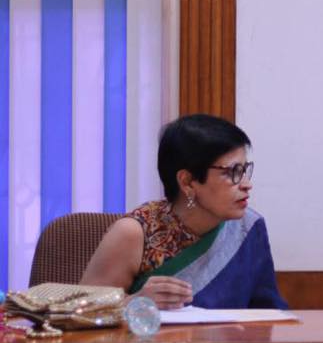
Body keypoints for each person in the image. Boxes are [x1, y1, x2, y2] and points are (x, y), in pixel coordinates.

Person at [81, 114, 287, 310]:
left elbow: (270, 314)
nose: (246, 184)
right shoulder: (136, 233)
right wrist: (136, 302)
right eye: (232, 172)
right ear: (187, 182)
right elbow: (83, 311)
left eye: (244, 170)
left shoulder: (248, 228)